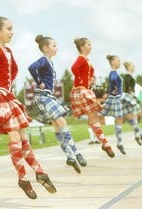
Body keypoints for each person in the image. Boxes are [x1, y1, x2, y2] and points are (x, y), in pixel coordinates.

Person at [0, 16, 56, 199]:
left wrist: (7, 85)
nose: (12, 32)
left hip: (6, 95)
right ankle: (23, 177)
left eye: (11, 28)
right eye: (8, 29)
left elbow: (14, 69)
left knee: (22, 137)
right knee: (16, 135)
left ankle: (38, 172)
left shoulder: (7, 50)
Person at [28, 35, 87, 174]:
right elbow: (32, 67)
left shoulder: (49, 62)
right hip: (43, 96)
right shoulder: (43, 60)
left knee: (57, 126)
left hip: (46, 96)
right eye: (54, 46)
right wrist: (39, 82)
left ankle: (69, 156)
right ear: (45, 48)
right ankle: (76, 153)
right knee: (62, 122)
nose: (57, 48)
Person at [70, 37, 115, 158]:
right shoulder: (81, 59)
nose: (91, 47)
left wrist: (89, 79)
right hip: (81, 90)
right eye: (89, 45)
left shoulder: (86, 59)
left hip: (85, 90)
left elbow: (87, 72)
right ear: (82, 47)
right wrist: (80, 79)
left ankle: (104, 143)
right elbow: (74, 68)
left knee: (94, 117)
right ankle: (104, 143)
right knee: (94, 116)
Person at [122, 61, 142, 145]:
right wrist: (132, 96)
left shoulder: (130, 76)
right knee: (135, 116)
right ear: (128, 67)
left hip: (131, 97)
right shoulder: (128, 76)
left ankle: (137, 135)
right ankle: (140, 135)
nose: (134, 68)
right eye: (133, 66)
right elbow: (128, 87)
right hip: (130, 98)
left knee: (135, 117)